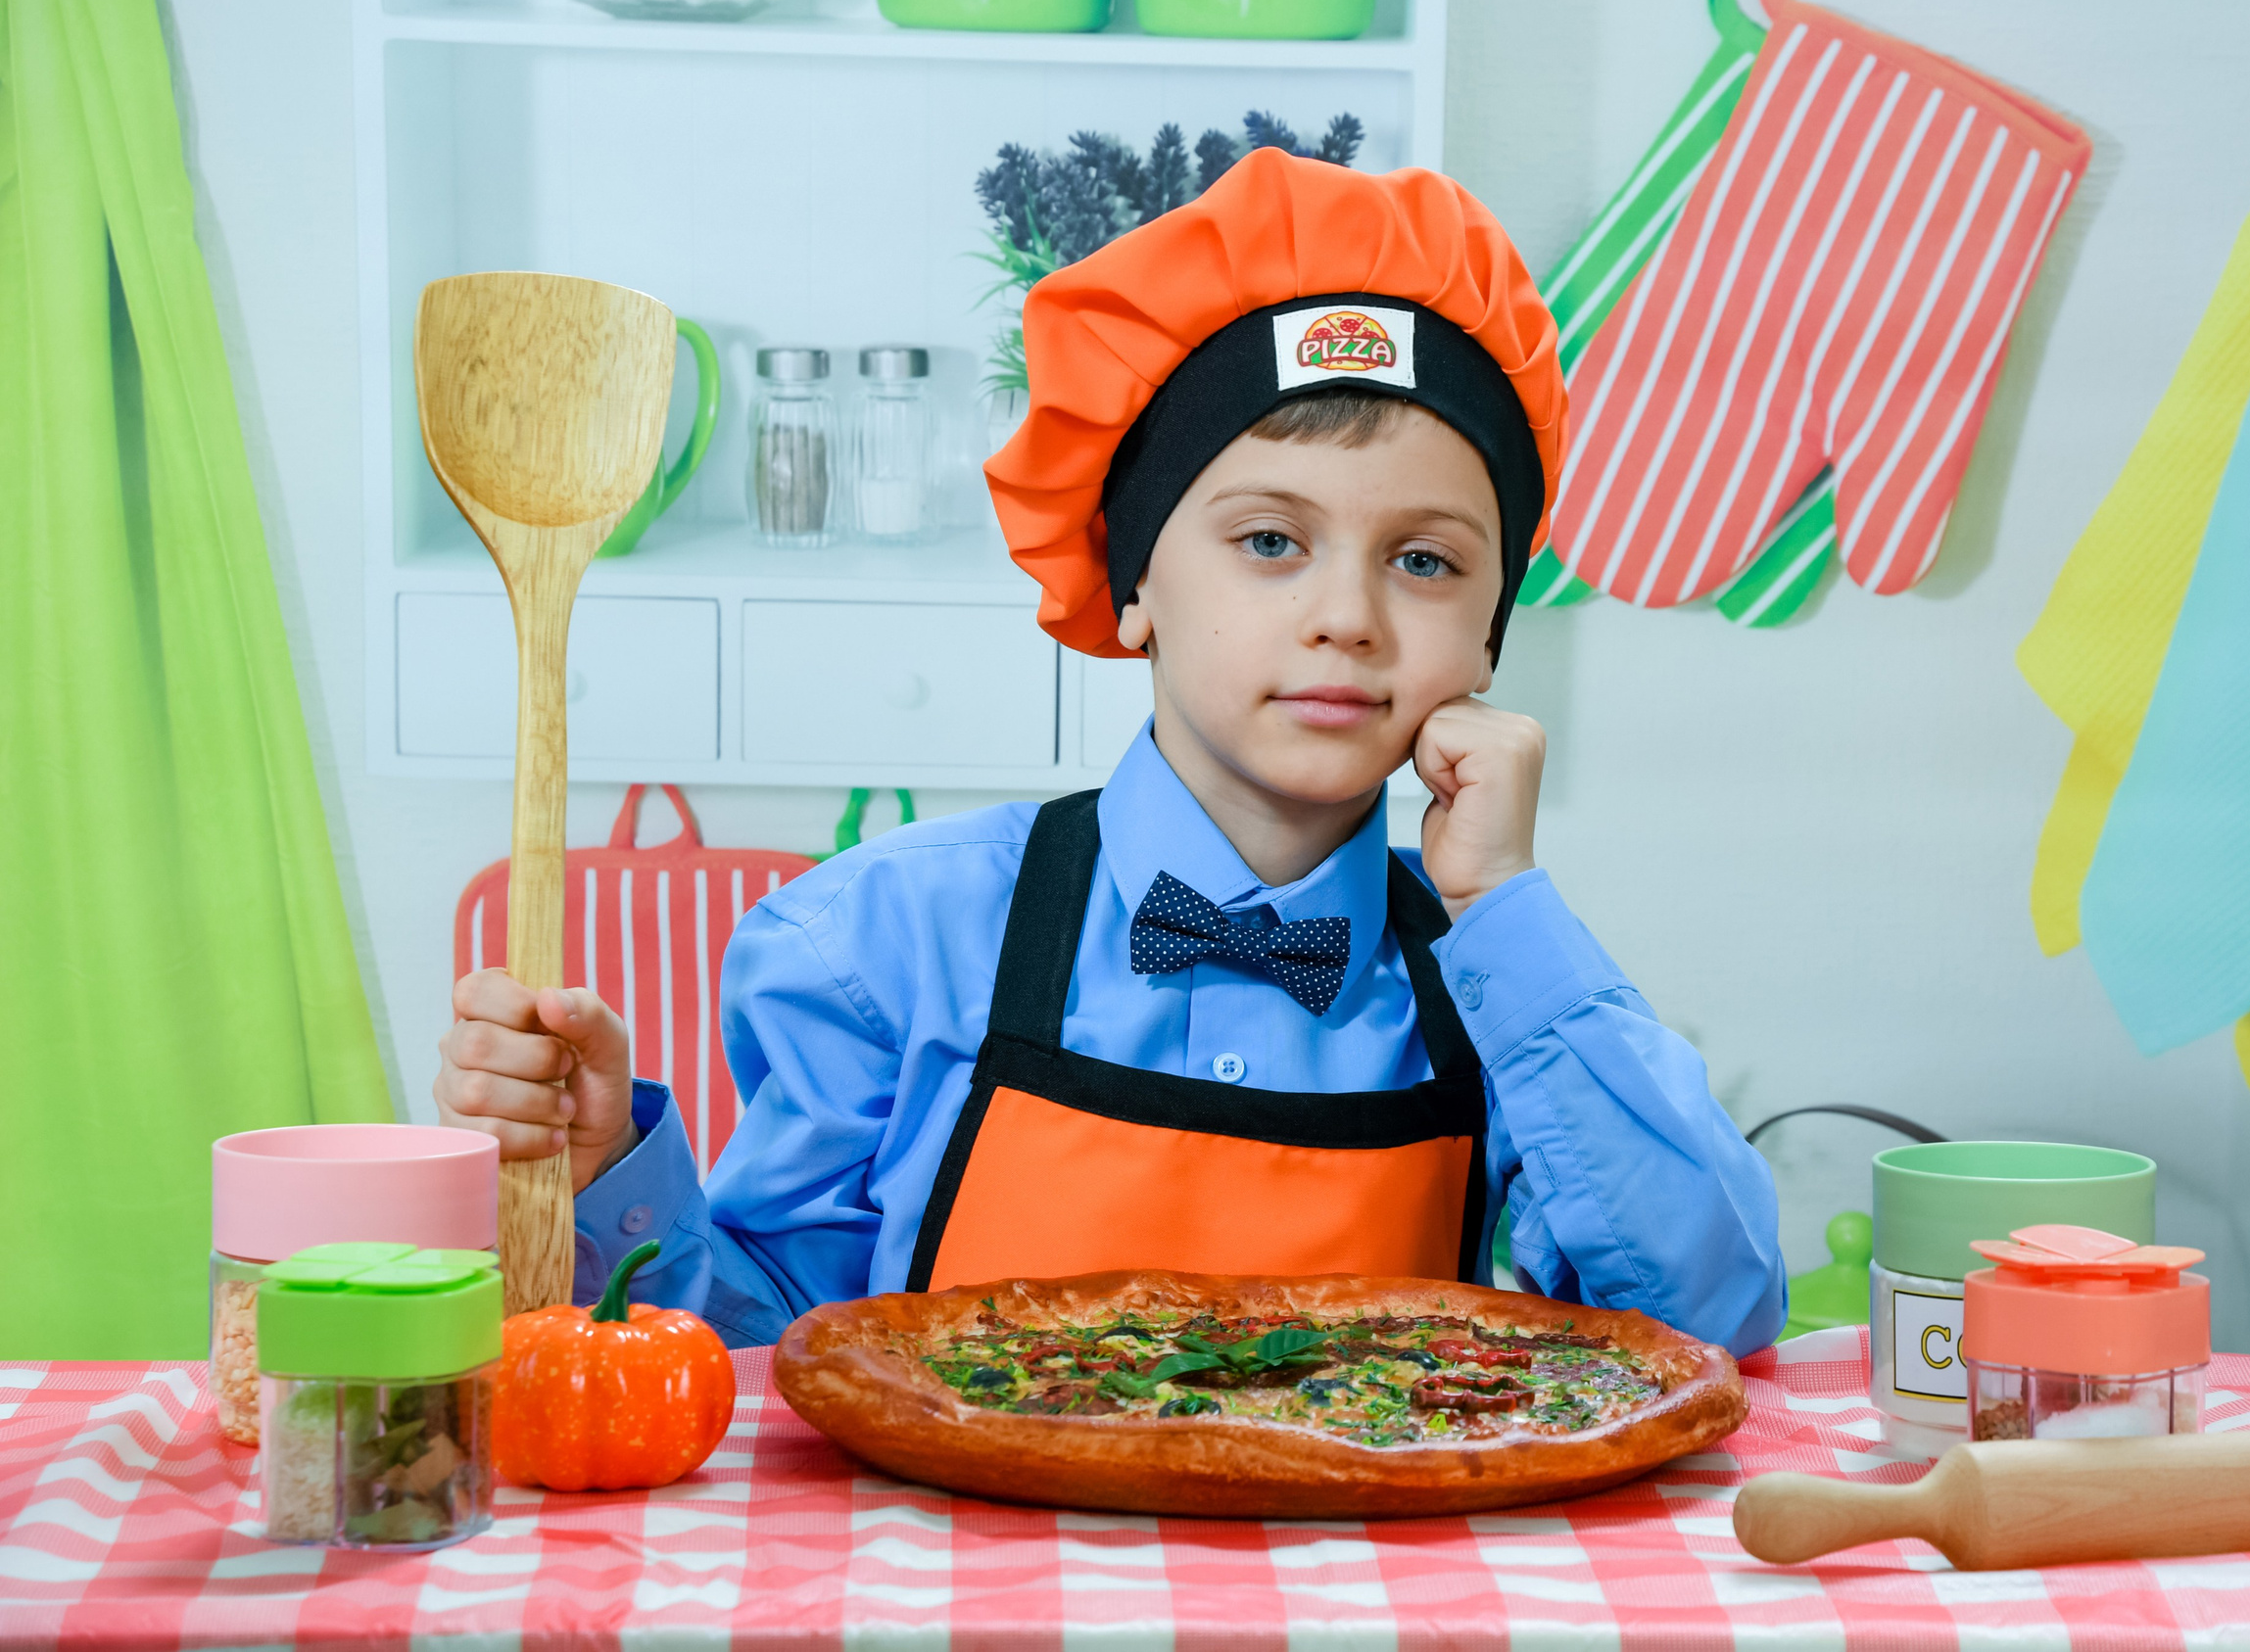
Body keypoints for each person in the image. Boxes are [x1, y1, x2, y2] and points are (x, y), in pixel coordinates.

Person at [434, 149, 1787, 1354]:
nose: (1346, 620)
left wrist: (1505, 911)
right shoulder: (882, 944)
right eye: (1270, 542)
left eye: (1426, 562)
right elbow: (765, 1362)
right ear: (1133, 583)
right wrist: (603, 1164)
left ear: (1489, 640)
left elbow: (1710, 1314)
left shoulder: (1501, 997)